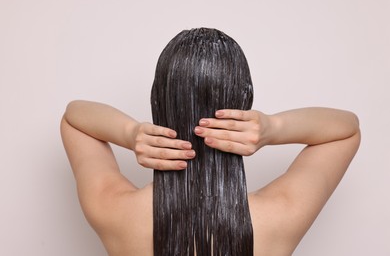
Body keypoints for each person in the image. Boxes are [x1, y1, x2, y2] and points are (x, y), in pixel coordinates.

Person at [61, 28, 361, 256]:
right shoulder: (279, 215)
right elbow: (347, 129)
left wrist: (129, 133)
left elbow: (74, 118)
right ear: (244, 100)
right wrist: (273, 128)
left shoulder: (117, 212)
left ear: (158, 99)